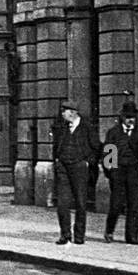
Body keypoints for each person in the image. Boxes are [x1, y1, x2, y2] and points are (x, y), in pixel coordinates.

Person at [53, 103, 100, 245]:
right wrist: (57, 160)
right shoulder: (62, 128)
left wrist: (88, 162)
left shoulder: (87, 128)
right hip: (63, 168)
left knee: (80, 202)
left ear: (73, 112)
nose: (62, 114)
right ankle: (65, 234)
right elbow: (56, 146)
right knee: (62, 203)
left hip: (79, 168)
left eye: (64, 111)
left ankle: (79, 235)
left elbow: (97, 147)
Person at [103, 100, 138, 245]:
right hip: (118, 171)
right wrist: (111, 172)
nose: (130, 119)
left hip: (133, 171)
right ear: (122, 117)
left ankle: (132, 236)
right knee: (116, 204)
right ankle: (109, 231)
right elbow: (108, 156)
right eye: (128, 116)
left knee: (133, 205)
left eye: (132, 116)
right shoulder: (113, 133)